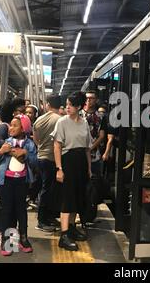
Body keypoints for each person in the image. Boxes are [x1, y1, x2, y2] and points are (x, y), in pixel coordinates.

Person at [52, 91, 92, 251]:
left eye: (70, 105)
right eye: (67, 104)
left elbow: (87, 148)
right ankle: (64, 234)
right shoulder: (61, 122)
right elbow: (57, 146)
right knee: (67, 198)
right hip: (68, 162)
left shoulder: (84, 123)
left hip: (81, 162)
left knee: (77, 197)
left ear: (79, 107)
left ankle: (72, 228)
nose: (67, 107)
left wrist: (89, 168)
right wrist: (59, 168)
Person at [0, 114, 37, 256]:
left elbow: (34, 162)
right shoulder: (6, 142)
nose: (10, 128)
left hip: (22, 182)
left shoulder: (29, 144)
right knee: (6, 210)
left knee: (21, 210)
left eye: (14, 125)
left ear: (24, 128)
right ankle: (7, 240)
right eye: (10, 125)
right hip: (6, 181)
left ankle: (23, 238)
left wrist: (26, 153)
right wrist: (1, 151)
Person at [0, 97, 26, 246]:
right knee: (2, 204)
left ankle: (9, 233)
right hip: (3, 173)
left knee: (12, 206)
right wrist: (13, 150)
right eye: (20, 111)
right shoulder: (4, 127)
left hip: (18, 176)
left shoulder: (22, 129)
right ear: (12, 112)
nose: (23, 114)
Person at [33, 94, 61, 232]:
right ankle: (42, 220)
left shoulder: (39, 120)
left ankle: (46, 217)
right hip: (52, 159)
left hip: (41, 157)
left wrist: (42, 147)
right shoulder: (60, 120)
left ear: (48, 104)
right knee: (49, 191)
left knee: (46, 189)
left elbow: (36, 139)